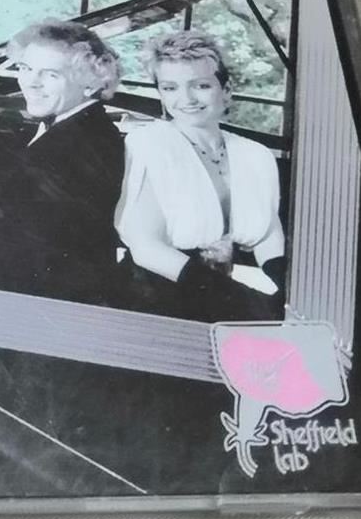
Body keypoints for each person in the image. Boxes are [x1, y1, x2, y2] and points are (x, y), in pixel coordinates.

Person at [117, 29, 285, 321]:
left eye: (201, 85)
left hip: (223, 297)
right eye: (170, 88)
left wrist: (289, 292)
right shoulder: (148, 144)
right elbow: (146, 247)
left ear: (226, 89)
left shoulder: (255, 155)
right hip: (153, 297)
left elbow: (268, 237)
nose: (187, 99)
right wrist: (240, 299)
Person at [0, 19, 125, 301]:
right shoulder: (74, 127)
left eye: (51, 74)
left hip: (43, 298)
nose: (31, 83)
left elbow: (24, 252)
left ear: (89, 84)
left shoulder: (84, 144)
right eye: (25, 68)